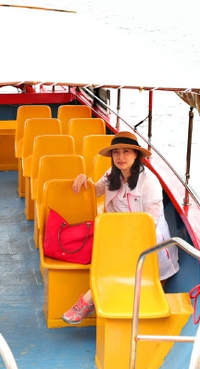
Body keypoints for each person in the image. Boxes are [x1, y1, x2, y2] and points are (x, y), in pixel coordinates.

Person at [62, 131, 180, 325]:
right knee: (105, 249)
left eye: (126, 151)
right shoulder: (111, 175)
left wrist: (126, 237)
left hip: (149, 238)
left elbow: (152, 220)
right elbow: (95, 190)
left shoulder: (148, 181)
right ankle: (96, 298)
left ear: (136, 155)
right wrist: (83, 178)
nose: (121, 157)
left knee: (118, 254)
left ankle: (88, 300)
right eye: (116, 152)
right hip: (121, 235)